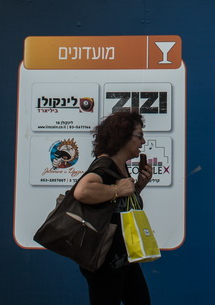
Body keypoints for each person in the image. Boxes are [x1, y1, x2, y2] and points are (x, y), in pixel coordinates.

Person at [73, 109, 154, 305]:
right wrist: (117, 189)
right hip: (104, 260)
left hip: (123, 257)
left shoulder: (120, 167)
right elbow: (82, 191)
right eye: (140, 136)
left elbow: (117, 206)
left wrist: (137, 188)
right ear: (124, 137)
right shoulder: (105, 165)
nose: (143, 142)